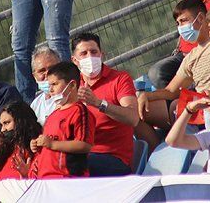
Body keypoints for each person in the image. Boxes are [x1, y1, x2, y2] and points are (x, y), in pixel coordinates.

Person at [135, 0, 210, 146]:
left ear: (201, 18)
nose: (181, 27)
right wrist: (146, 96)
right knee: (139, 110)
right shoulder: (191, 57)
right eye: (178, 23)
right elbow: (171, 90)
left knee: (184, 107)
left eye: (184, 21)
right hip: (200, 106)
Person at [71, 32, 138, 176]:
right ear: (75, 60)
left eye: (94, 52)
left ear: (102, 54)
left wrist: (98, 103)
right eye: (83, 53)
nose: (90, 57)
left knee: (73, 164)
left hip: (114, 159)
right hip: (81, 153)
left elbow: (133, 117)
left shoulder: (120, 79)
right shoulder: (72, 86)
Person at [31, 61, 95, 178]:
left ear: (72, 85)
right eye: (49, 85)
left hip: (68, 178)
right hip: (46, 178)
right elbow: (49, 143)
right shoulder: (53, 115)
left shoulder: (79, 111)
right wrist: (38, 145)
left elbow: (85, 145)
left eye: (54, 84)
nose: (50, 90)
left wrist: (52, 144)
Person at [0, 100, 43, 180]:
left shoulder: (38, 147)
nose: (3, 129)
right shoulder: (6, 150)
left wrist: (26, 175)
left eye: (7, 123)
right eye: (1, 125)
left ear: (21, 121)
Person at [28, 46, 61, 125]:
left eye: (52, 68)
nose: (48, 73)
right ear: (34, 76)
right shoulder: (35, 105)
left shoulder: (72, 96)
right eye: (41, 71)